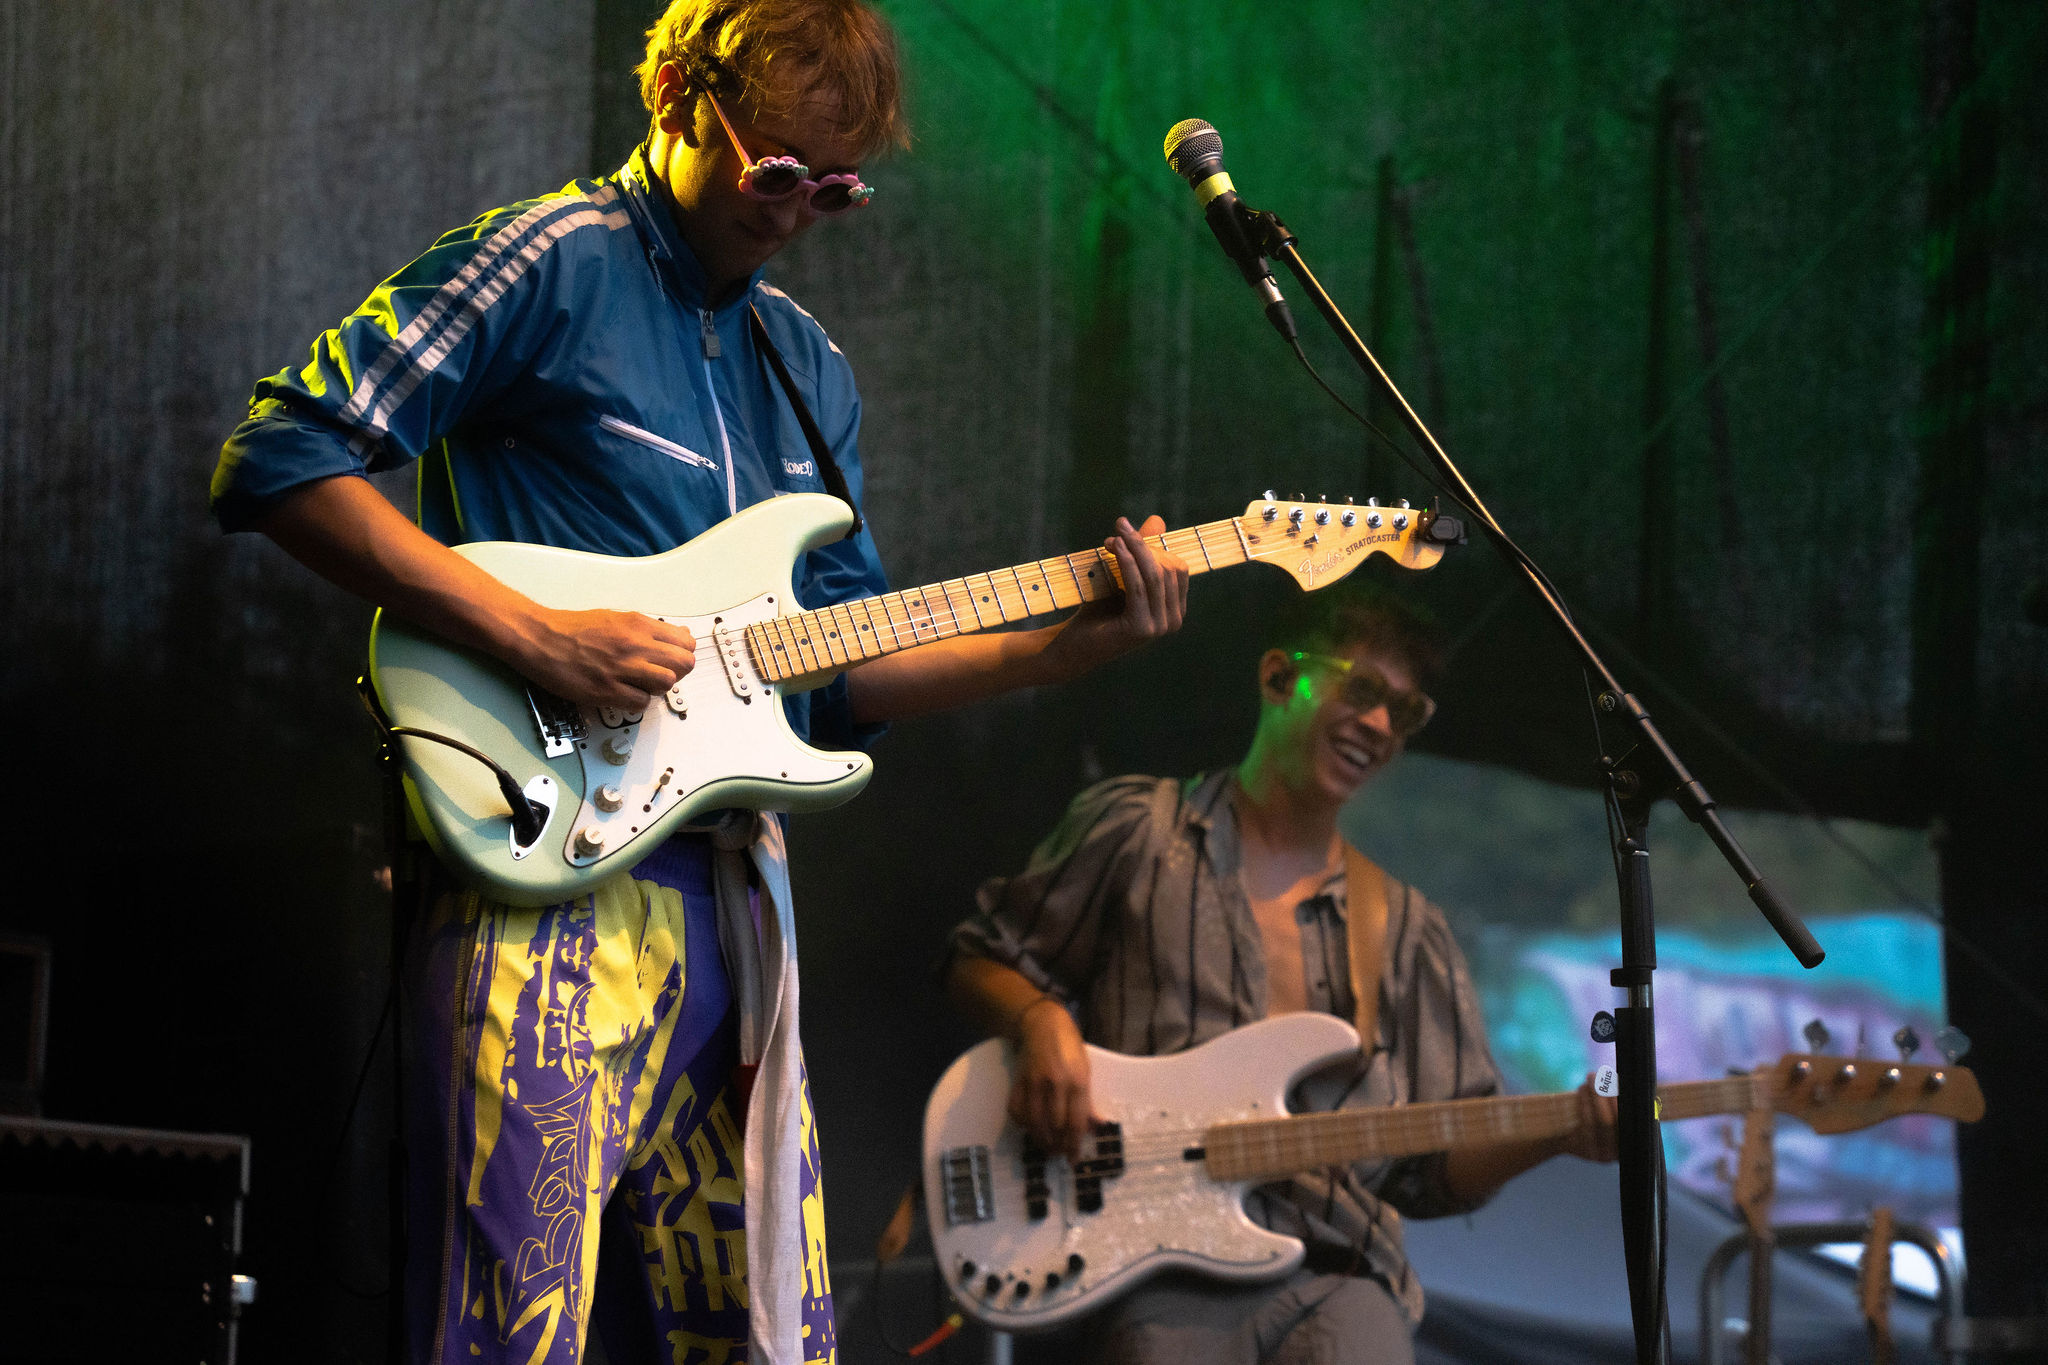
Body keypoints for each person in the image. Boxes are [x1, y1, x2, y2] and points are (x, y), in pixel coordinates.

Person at [208, 3, 1188, 1362]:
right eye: (776, 168)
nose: (794, 214)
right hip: (539, 880)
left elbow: (838, 674)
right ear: (675, 91)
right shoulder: (553, 259)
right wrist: (534, 637)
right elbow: (280, 456)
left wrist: (1065, 645)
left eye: (833, 190)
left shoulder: (809, 368)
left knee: (766, 1338)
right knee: (507, 1333)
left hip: (733, 913)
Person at [944, 584, 1616, 1365]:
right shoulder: (1138, 832)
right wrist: (1040, 1021)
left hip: (1340, 1270)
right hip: (1148, 1265)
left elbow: (1431, 1173)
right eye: (1361, 690)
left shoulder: (1405, 929)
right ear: (1278, 676)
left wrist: (1559, 1130)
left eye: (1404, 711)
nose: (1379, 724)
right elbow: (978, 957)